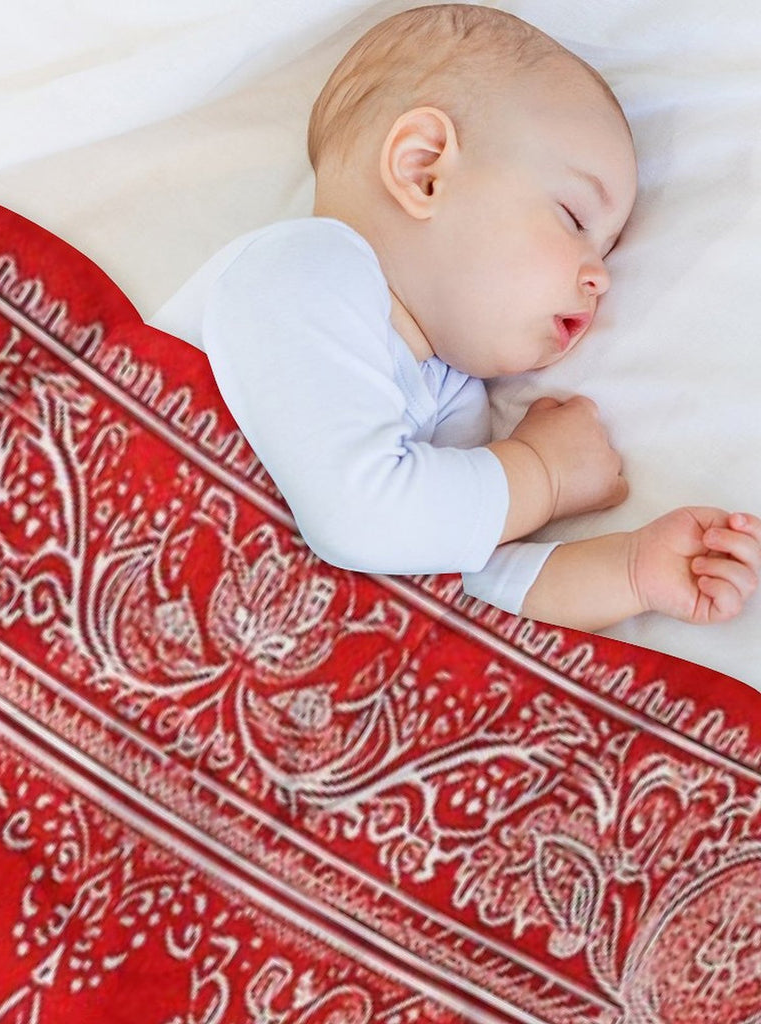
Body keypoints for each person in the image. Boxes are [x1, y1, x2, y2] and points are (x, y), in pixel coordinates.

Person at [151, 3, 760, 631]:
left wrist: (632, 570)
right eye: (575, 219)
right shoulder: (301, 269)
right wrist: (541, 473)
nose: (600, 275)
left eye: (604, 250)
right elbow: (361, 517)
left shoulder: (448, 389)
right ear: (424, 171)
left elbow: (456, 579)